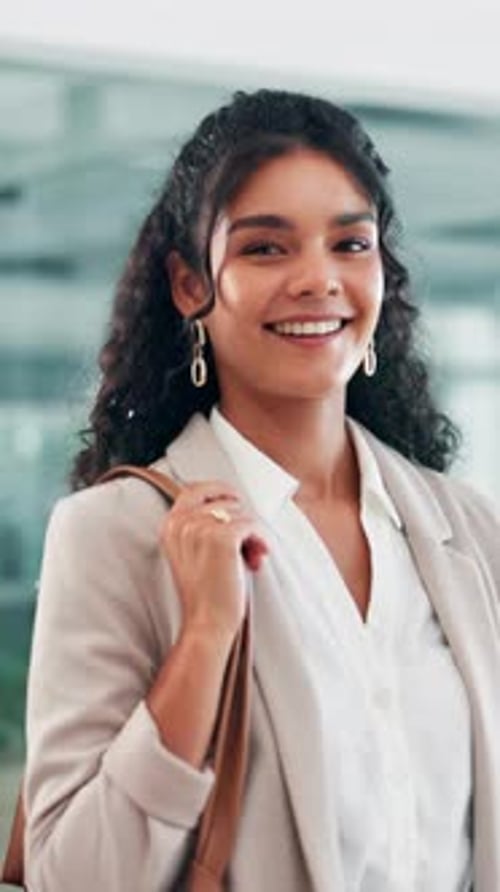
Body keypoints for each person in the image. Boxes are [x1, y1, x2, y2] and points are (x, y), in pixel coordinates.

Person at [23, 89, 500, 892]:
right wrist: (206, 637)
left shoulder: (470, 534)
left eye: (350, 243)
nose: (319, 280)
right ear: (188, 286)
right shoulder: (115, 532)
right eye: (265, 249)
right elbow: (71, 875)